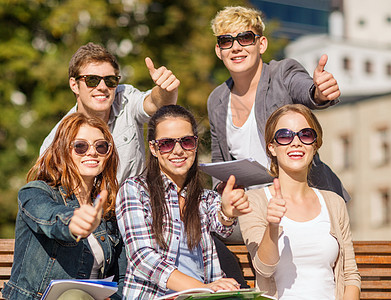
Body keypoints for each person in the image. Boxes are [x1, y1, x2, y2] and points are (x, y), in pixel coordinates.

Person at [208, 6, 349, 201]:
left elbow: (304, 89)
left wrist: (319, 93)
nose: (236, 47)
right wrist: (223, 195)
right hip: (257, 207)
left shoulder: (282, 73)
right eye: (226, 41)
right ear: (219, 50)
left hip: (307, 200)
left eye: (246, 38)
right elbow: (219, 161)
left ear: (262, 44)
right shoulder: (217, 99)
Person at [116, 105, 252, 299]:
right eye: (166, 144)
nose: (178, 150)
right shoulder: (134, 190)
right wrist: (205, 289)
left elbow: (221, 224)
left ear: (195, 145)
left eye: (187, 142)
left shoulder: (205, 198)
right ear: (154, 148)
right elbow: (143, 259)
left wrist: (227, 213)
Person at [238, 104, 361, 299]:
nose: (296, 143)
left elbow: (350, 276)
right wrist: (272, 226)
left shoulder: (334, 202)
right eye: (285, 136)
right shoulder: (254, 202)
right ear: (272, 148)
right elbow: (263, 269)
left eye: (305, 135)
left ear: (315, 145)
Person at [2, 113, 124, 300]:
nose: (92, 152)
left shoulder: (108, 211)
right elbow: (51, 217)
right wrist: (75, 223)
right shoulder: (35, 193)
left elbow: (120, 278)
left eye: (101, 146)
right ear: (62, 151)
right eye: (80, 146)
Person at [40, 42, 179, 184]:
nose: (102, 87)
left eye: (110, 80)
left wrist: (165, 89)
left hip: (135, 204)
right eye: (92, 80)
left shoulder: (125, 98)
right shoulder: (54, 141)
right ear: (74, 85)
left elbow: (155, 103)